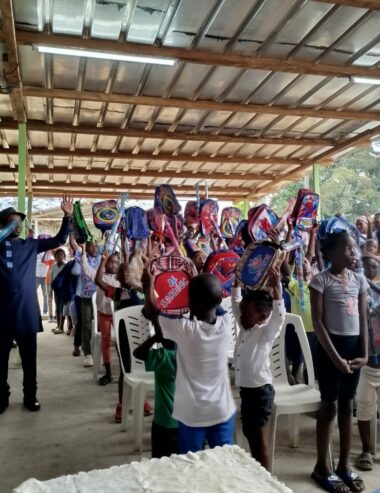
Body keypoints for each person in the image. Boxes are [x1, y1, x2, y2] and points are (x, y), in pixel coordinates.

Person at [143, 271, 236, 454]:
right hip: (222, 410)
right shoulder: (226, 324)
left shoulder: (185, 330)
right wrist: (195, 275)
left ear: (190, 304)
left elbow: (153, 312)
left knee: (191, 465)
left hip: (191, 414)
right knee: (225, 463)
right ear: (219, 300)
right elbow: (215, 302)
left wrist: (149, 285)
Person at [0, 195, 73, 414]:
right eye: (13, 221)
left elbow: (59, 240)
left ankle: (30, 396)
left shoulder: (30, 245)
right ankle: (2, 397)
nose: (18, 225)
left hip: (26, 313)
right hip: (2, 314)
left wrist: (67, 216)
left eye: (19, 222)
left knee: (29, 360)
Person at [309, 231, 368, 493]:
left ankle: (343, 465)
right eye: (347, 248)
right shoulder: (320, 280)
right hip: (329, 350)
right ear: (330, 253)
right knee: (329, 407)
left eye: (354, 247)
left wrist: (365, 354)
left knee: (348, 407)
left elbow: (364, 321)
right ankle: (323, 466)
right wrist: (335, 359)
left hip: (354, 350)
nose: (353, 251)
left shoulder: (359, 280)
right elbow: (319, 324)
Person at [232, 267, 285, 470]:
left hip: (260, 391)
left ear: (262, 317)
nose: (241, 316)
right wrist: (237, 282)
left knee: (257, 436)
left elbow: (279, 317)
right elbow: (237, 305)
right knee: (249, 431)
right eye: (243, 311)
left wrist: (277, 290)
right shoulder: (246, 324)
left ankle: (266, 476)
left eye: (247, 313)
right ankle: (259, 469)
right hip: (247, 391)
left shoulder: (265, 332)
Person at [96, 253, 145, 422]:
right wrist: (102, 261)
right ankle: (121, 405)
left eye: (128, 272)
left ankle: (142, 401)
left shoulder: (142, 289)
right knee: (126, 371)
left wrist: (143, 258)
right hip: (125, 337)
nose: (125, 274)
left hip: (142, 336)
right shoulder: (118, 292)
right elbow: (98, 281)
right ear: (118, 276)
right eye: (122, 272)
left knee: (141, 369)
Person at [133, 331, 179, 458]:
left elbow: (137, 353)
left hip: (164, 422)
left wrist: (154, 337)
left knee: (160, 461)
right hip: (185, 422)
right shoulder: (187, 356)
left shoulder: (163, 357)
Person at [355, 254, 380, 472]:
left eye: (372, 264)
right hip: (367, 366)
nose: (367, 268)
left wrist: (367, 281)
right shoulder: (357, 292)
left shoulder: (376, 289)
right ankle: (366, 449)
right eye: (363, 266)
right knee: (363, 407)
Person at [81, 248, 120, 385]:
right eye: (111, 262)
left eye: (116, 262)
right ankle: (108, 373)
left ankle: (123, 371)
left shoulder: (121, 278)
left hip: (118, 315)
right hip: (104, 314)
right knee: (106, 341)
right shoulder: (100, 276)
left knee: (121, 342)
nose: (113, 265)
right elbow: (86, 269)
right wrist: (84, 253)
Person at [71, 240, 101, 367]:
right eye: (91, 246)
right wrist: (72, 230)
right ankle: (88, 355)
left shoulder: (101, 257)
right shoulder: (81, 257)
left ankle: (99, 353)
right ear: (86, 248)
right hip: (86, 298)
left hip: (100, 297)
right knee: (86, 325)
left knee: (99, 327)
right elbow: (72, 243)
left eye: (96, 246)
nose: (95, 248)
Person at [51, 248, 67, 334]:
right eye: (58, 254)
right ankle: (58, 325)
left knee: (63, 308)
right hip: (56, 290)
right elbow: (51, 278)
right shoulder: (53, 266)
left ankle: (62, 326)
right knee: (57, 307)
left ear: (64, 256)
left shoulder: (66, 266)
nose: (60, 256)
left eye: (62, 254)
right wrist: (50, 290)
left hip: (64, 290)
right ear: (55, 256)